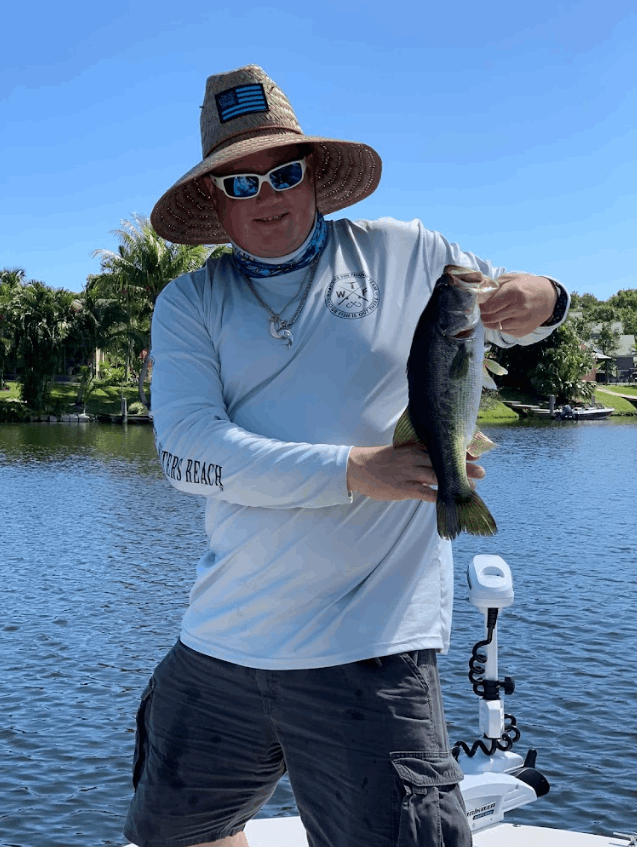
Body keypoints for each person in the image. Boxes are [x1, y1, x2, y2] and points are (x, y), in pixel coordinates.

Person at [123, 65, 569, 847]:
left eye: (284, 172)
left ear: (317, 176)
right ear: (216, 202)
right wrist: (352, 470)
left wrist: (546, 297)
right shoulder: (190, 303)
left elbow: (509, 311)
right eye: (240, 182)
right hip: (220, 642)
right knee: (177, 836)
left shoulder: (410, 253)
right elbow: (186, 453)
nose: (267, 196)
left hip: (371, 652)